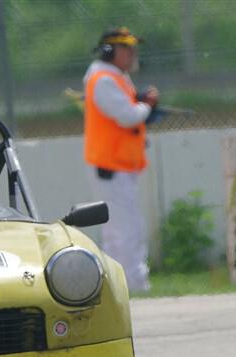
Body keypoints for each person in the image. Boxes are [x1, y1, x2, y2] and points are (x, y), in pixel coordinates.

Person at [83, 27, 158, 292]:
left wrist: (140, 105)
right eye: (125, 48)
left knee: (118, 232)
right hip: (111, 167)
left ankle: (118, 286)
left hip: (118, 166)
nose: (132, 53)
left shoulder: (113, 77)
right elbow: (127, 116)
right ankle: (135, 285)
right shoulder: (103, 79)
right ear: (108, 51)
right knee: (127, 230)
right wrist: (147, 105)